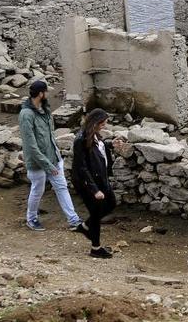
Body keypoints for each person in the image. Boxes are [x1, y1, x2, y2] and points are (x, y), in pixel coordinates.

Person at [19, 80, 83, 232]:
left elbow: (49, 135)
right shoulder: (26, 115)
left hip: (53, 157)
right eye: (46, 92)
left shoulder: (45, 109)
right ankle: (32, 218)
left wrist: (55, 157)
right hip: (38, 163)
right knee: (37, 190)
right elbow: (30, 145)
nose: (48, 94)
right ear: (41, 94)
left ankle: (74, 220)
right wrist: (47, 165)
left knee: (62, 187)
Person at [70, 108, 123, 259]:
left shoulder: (94, 135)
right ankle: (96, 247)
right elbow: (81, 167)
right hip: (87, 182)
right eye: (103, 123)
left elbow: (98, 148)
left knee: (111, 203)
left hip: (100, 178)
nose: (105, 126)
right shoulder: (80, 140)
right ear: (96, 122)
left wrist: (111, 145)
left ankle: (85, 226)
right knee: (96, 212)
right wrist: (94, 190)